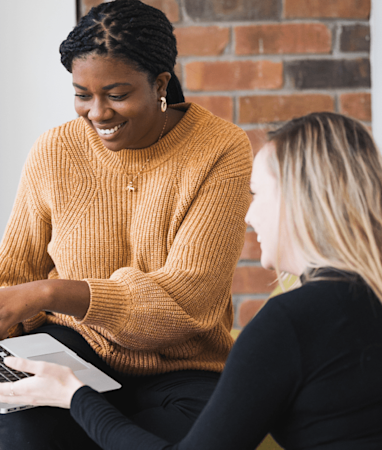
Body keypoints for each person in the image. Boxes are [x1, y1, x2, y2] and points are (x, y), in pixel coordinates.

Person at [2, 112, 382, 450]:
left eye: (258, 196)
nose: (249, 218)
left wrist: (75, 396)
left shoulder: (289, 324)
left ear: (300, 201)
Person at [0, 1, 252, 448]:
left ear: (159, 83)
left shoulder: (221, 150)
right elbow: (15, 273)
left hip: (182, 367)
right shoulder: (54, 150)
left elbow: (185, 302)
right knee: (22, 433)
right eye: (83, 95)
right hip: (72, 345)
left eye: (116, 95)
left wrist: (50, 292)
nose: (98, 113)